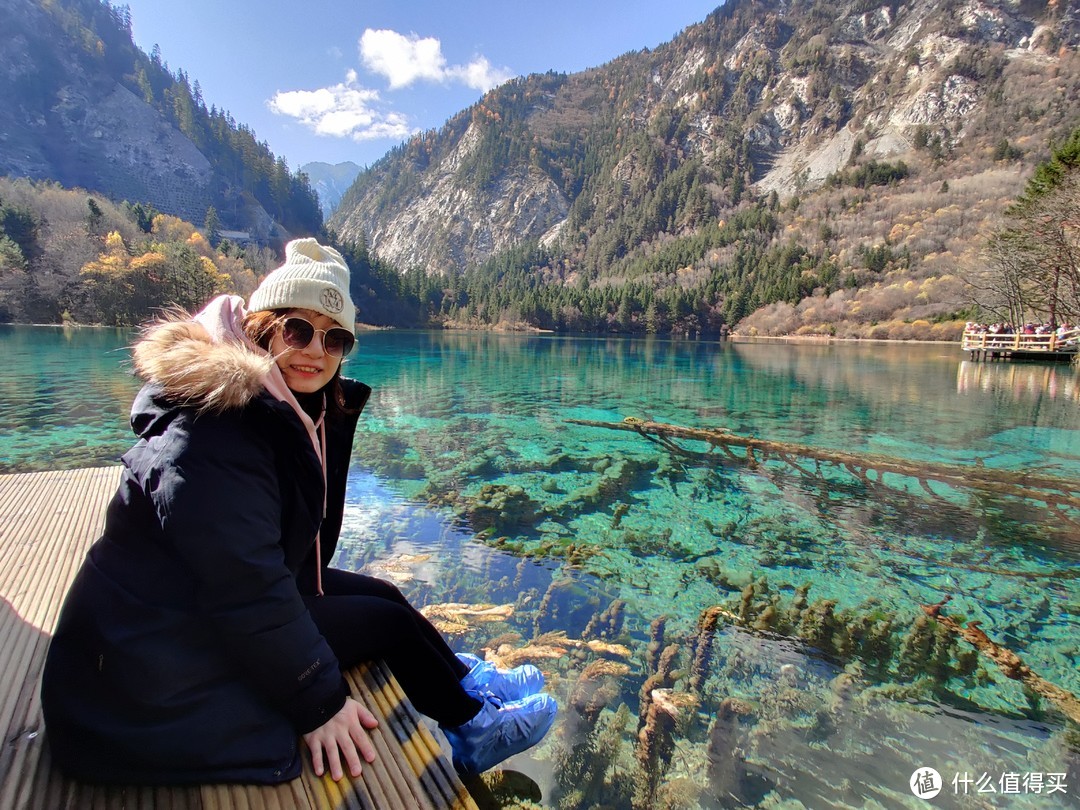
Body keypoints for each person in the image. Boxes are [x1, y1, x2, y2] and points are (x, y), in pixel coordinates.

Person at [41, 238, 556, 786]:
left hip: (179, 609)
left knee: (384, 595)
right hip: (141, 668)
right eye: (298, 329)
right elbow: (247, 589)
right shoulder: (211, 430)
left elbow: (257, 562)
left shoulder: (282, 405)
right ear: (263, 325)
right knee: (386, 625)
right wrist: (319, 701)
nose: (316, 349)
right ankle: (472, 728)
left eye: (335, 338)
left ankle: (464, 681)